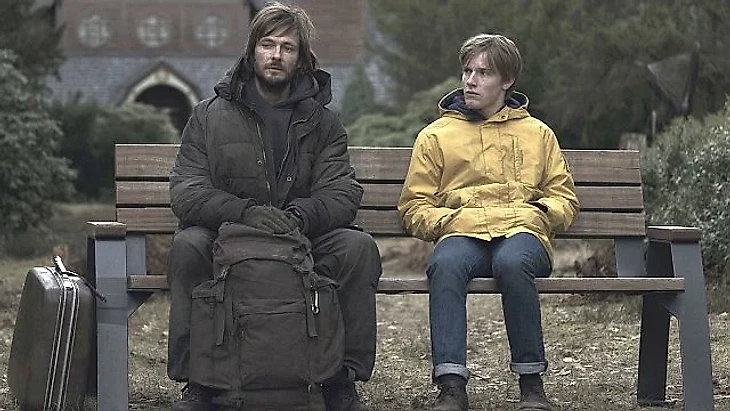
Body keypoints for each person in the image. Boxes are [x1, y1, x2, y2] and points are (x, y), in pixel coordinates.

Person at [166, 3, 381, 411]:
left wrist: (299, 217)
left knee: (357, 249)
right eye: (267, 44)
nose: (276, 55)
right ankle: (200, 382)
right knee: (188, 246)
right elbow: (187, 190)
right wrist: (243, 213)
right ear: (252, 50)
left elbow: (341, 192)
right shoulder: (209, 116)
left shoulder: (323, 122)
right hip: (227, 236)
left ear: (302, 58)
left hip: (300, 237)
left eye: (287, 47)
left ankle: (339, 380)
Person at [398, 33, 580, 411]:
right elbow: (415, 204)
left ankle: (531, 384)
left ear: (507, 80)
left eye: (483, 73)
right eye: (467, 71)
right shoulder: (436, 135)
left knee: (512, 263)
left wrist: (541, 214)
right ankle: (451, 387)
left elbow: (563, 198)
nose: (471, 81)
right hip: (463, 231)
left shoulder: (537, 133)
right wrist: (449, 221)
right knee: (445, 264)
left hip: (522, 232)